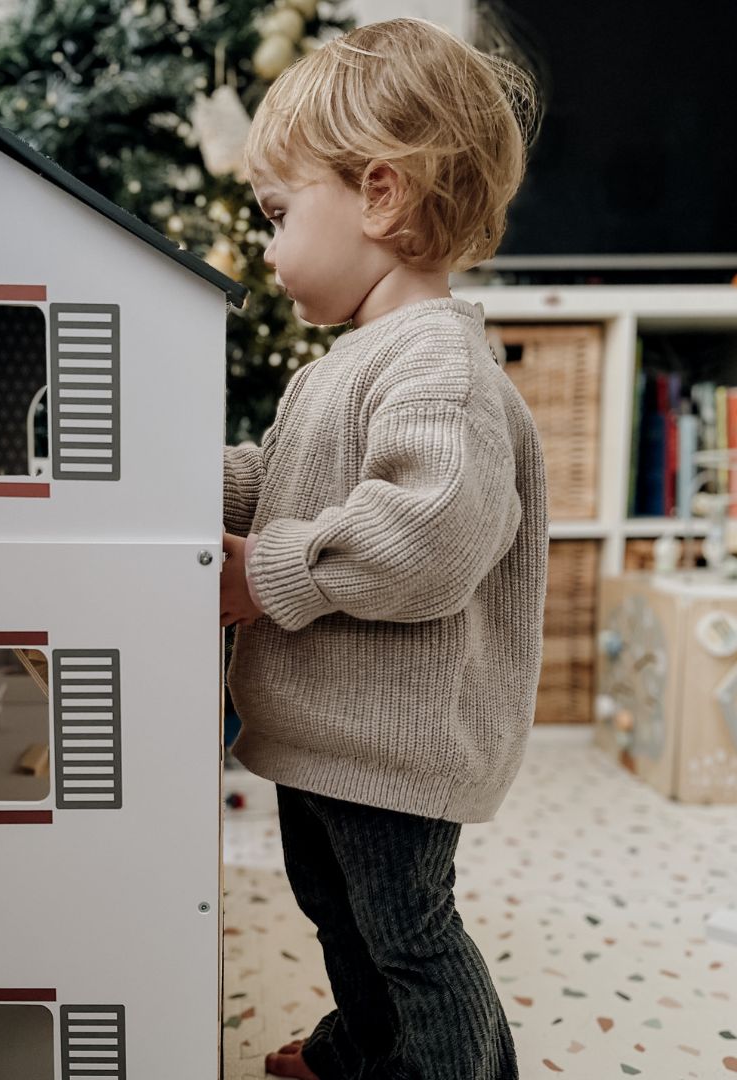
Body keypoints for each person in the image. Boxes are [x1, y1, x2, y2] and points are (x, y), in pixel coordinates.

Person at [219, 17, 547, 1080]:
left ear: (381, 194)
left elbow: (430, 535)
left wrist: (264, 577)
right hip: (325, 731)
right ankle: (364, 1047)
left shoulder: (435, 364)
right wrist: (167, 487)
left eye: (276, 213)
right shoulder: (343, 365)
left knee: (410, 937)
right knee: (337, 912)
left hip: (394, 749)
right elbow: (283, 484)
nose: (266, 247)